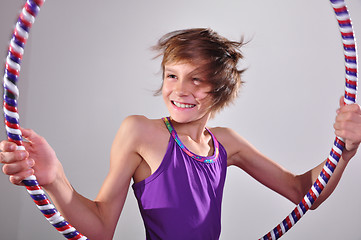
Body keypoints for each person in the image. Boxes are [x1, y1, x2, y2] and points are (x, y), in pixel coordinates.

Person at [1, 28, 361, 240]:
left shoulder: (227, 143)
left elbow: (303, 193)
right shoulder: (140, 132)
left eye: (197, 79)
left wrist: (343, 153)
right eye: (172, 75)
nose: (180, 90)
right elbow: (99, 230)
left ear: (218, 91)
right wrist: (54, 180)